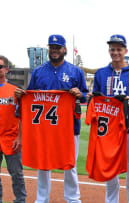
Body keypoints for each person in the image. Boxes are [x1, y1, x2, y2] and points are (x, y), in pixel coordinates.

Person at [15, 34, 88, 203]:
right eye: (52, 47)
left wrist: (80, 94)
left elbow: (85, 96)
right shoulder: (39, 71)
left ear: (65, 50)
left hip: (69, 127)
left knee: (70, 165)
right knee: (43, 163)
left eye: (57, 47)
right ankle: (42, 199)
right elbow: (29, 96)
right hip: (45, 127)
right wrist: (21, 95)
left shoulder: (75, 71)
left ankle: (73, 199)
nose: (54, 50)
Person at [87, 34, 129, 203]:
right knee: (110, 171)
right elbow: (94, 100)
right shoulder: (101, 73)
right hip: (109, 130)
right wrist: (92, 97)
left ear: (125, 50)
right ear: (109, 50)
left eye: (119, 49)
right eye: (112, 49)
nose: (115, 52)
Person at [0, 55, 27, 203]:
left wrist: (20, 137)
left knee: (16, 173)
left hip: (11, 138)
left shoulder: (16, 90)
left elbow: (24, 116)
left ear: (6, 69)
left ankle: (21, 200)